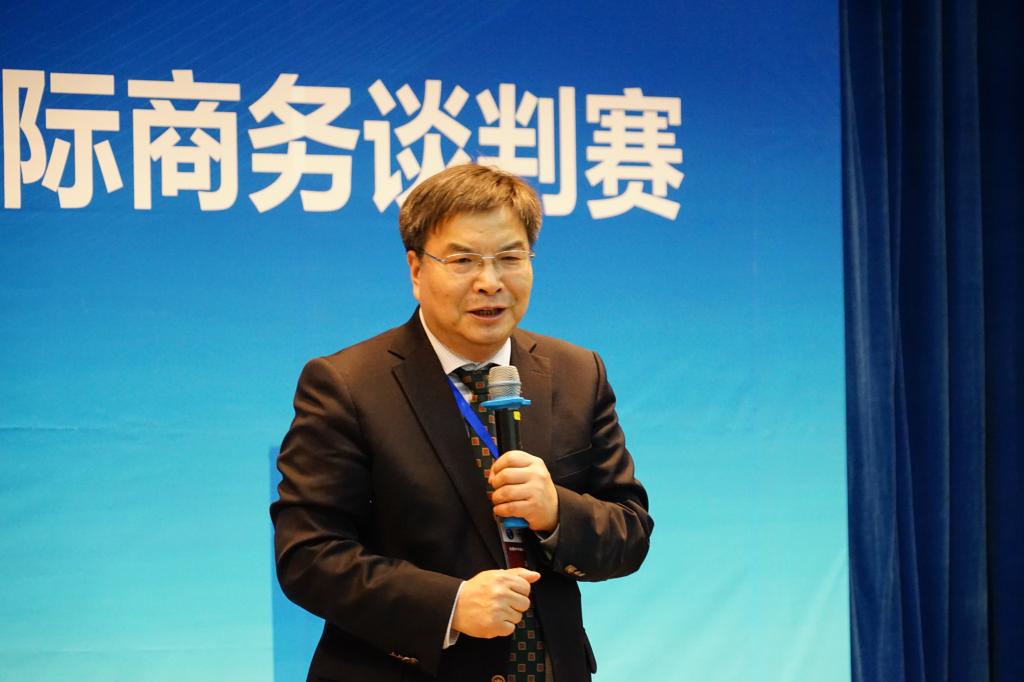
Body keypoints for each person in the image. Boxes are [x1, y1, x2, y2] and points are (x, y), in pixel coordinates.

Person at [271, 164, 653, 682]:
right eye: (463, 260)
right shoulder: (346, 384)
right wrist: (449, 605)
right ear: (416, 269)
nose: (489, 282)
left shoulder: (577, 372)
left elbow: (630, 532)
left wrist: (557, 513)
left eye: (510, 258)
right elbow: (308, 556)